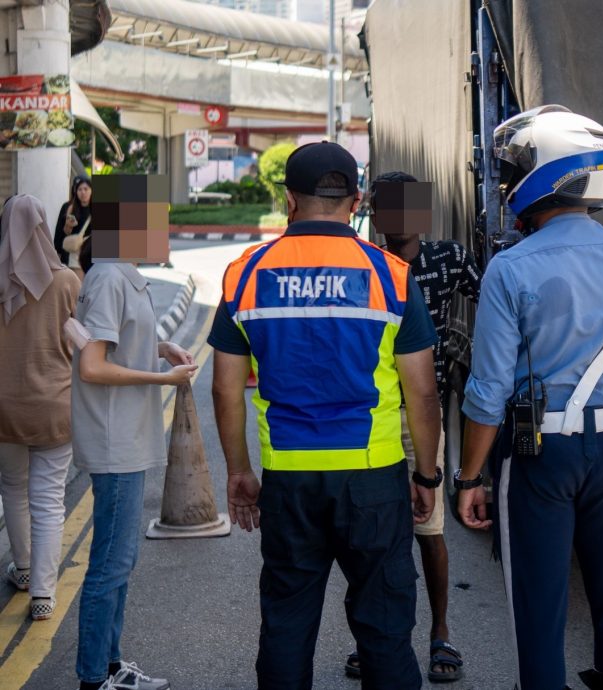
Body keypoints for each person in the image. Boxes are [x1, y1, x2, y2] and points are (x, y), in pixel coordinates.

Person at [209, 142, 443, 690]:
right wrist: (426, 474)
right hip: (374, 477)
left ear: (289, 200)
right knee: (385, 632)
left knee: (287, 627)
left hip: (289, 478)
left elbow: (224, 390)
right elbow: (423, 393)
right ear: (357, 200)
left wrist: (240, 472)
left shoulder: (244, 273)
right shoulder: (391, 274)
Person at [456, 105, 603, 690]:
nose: (508, 183)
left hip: (542, 450)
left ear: (545, 174)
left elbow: (488, 390)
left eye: (517, 169)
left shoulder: (511, 267)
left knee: (539, 610)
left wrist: (470, 478)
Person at [343, 170, 481, 682]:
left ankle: (440, 632)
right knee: (370, 535)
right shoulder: (363, 265)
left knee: (429, 531)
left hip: (423, 416)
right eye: (385, 205)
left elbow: (497, 302)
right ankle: (375, 636)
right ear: (372, 213)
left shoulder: (450, 259)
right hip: (369, 415)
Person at [72, 252, 197, 690]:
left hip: (128, 435)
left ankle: (110, 667)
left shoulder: (124, 274)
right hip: (115, 439)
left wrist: (159, 350)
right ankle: (94, 677)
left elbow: (118, 342)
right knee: (110, 565)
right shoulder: (108, 277)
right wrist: (164, 379)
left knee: (119, 563)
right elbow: (92, 365)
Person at [0, 195, 81, 621]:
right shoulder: (66, 281)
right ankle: (44, 595)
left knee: (12, 488)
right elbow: (82, 342)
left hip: (4, 409)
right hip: (53, 406)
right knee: (48, 499)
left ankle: (26, 569)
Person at [53, 175, 92, 276]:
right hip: (70, 258)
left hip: (90, 258)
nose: (83, 192)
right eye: (79, 189)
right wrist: (67, 227)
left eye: (86, 189)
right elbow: (58, 236)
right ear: (75, 191)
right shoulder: (68, 207)